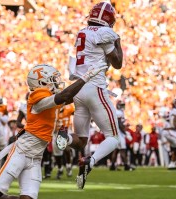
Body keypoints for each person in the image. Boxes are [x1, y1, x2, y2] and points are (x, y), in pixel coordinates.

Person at [0, 63, 105, 199]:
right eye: (53, 79)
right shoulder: (38, 95)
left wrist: (94, 87)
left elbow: (69, 97)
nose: (56, 82)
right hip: (22, 151)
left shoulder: (49, 97)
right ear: (42, 81)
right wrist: (86, 77)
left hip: (36, 157)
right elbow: (64, 96)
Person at [55, 1, 123, 189]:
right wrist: (118, 41)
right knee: (113, 138)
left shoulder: (83, 32)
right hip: (95, 87)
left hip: (78, 88)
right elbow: (117, 63)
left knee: (81, 140)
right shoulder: (105, 33)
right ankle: (90, 162)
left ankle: (66, 138)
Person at [111, 100, 134, 171]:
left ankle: (112, 166)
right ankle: (126, 166)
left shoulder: (118, 112)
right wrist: (125, 133)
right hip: (119, 133)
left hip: (116, 133)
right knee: (123, 150)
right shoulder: (119, 113)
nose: (123, 107)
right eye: (121, 105)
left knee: (116, 150)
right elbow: (120, 124)